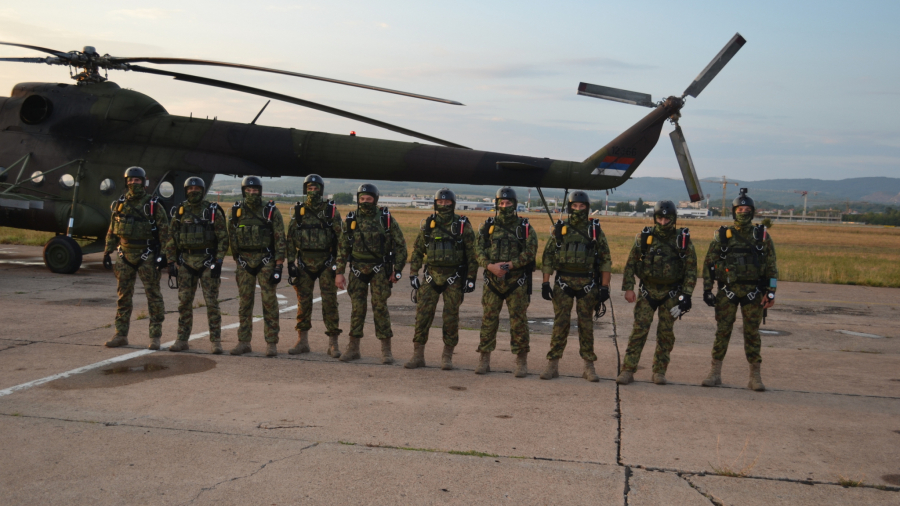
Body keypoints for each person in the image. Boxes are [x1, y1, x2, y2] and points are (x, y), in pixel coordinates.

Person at [700, 188, 777, 391]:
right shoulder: (722, 235)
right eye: (739, 208)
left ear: (752, 211)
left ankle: (755, 377)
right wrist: (707, 289)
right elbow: (709, 263)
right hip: (727, 291)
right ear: (734, 211)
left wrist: (771, 292)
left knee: (752, 333)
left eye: (746, 209)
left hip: (754, 293)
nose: (743, 212)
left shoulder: (761, 236)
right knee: (722, 332)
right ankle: (715, 373)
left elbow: (771, 266)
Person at [616, 200, 697, 385]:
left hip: (672, 294)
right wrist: (629, 288)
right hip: (647, 292)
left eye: (667, 218)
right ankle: (628, 369)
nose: (663, 222)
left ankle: (659, 371)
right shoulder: (645, 239)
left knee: (666, 334)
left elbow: (691, 270)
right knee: (639, 331)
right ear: (655, 218)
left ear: (673, 219)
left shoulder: (682, 241)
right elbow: (630, 264)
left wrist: (686, 296)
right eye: (659, 218)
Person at [539, 191, 611, 382]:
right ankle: (552, 364)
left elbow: (605, 260)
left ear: (587, 208)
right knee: (560, 324)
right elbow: (548, 256)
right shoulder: (560, 229)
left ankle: (588, 366)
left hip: (588, 284)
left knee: (586, 325)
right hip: (563, 283)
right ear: (569, 207)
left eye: (581, 206)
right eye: (574, 206)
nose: (578, 209)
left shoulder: (595, 231)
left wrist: (604, 287)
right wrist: (545, 282)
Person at [406, 188, 478, 370]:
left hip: (453, 278)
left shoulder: (462, 226)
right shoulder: (429, 225)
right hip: (430, 278)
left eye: (447, 203)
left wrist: (471, 278)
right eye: (440, 202)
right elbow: (417, 251)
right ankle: (418, 356)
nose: (444, 205)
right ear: (435, 204)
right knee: (422, 317)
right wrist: (413, 273)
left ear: (453, 204)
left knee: (451, 318)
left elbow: (472, 255)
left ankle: (447, 357)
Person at [334, 184, 407, 364]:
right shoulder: (351, 219)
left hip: (379, 270)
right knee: (357, 310)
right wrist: (339, 272)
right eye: (362, 199)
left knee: (380, 308)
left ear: (375, 199)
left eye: (369, 199)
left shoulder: (385, 218)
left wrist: (397, 270)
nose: (365, 202)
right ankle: (353, 348)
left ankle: (386, 350)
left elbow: (401, 245)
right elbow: (343, 247)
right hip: (358, 270)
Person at [103, 166, 169, 350]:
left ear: (143, 182)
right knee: (123, 297)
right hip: (124, 255)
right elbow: (112, 229)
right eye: (130, 180)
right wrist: (107, 251)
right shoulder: (119, 204)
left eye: (137, 180)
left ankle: (155, 337)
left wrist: (166, 257)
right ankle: (120, 334)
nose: (134, 183)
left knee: (153, 296)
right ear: (126, 182)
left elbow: (165, 233)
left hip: (146, 255)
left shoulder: (153, 205)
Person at [474, 187, 537, 377]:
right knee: (488, 321)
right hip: (492, 283)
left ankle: (521, 361)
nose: (504, 206)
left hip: (516, 283)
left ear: (515, 205)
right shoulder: (487, 227)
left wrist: (510, 265)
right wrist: (489, 266)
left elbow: (530, 253)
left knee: (519, 323)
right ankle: (484, 359)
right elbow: (478, 251)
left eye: (508, 203)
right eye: (501, 203)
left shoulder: (524, 227)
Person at [164, 177, 229, 354]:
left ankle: (216, 341)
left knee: (212, 303)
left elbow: (223, 238)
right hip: (186, 263)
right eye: (191, 188)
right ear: (186, 191)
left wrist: (219, 261)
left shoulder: (212, 211)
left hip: (207, 262)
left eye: (197, 188)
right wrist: (171, 261)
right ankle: (182, 339)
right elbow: (171, 238)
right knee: (184, 303)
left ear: (203, 190)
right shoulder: (179, 212)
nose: (194, 191)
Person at [285, 174, 344, 358]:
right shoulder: (299, 211)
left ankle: (333, 343)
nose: (313, 191)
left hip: (326, 263)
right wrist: (290, 263)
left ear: (322, 190)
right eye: (309, 188)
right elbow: (290, 239)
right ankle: (302, 341)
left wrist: (339, 269)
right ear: (305, 190)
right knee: (303, 303)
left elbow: (341, 241)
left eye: (316, 188)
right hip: (304, 264)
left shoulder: (331, 211)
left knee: (330, 303)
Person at [227, 176, 286, 357]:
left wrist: (278, 265)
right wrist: (238, 260)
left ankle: (271, 343)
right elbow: (232, 237)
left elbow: (279, 238)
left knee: (269, 303)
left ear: (260, 191)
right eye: (248, 191)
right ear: (243, 191)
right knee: (245, 304)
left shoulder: (270, 211)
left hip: (265, 261)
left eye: (255, 191)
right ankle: (244, 342)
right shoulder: (236, 211)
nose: (252, 193)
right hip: (245, 262)